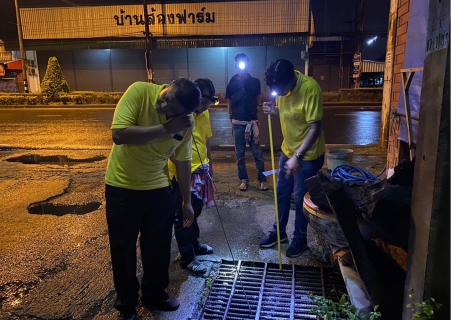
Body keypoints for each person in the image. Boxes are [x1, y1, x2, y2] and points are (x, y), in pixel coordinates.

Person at [104, 78, 201, 320]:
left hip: (158, 186)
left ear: (183, 114)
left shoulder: (186, 125)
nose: (162, 105)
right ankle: (126, 305)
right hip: (122, 184)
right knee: (123, 249)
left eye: (171, 109)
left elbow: (183, 161)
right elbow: (119, 134)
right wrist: (167, 128)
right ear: (168, 86)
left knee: (158, 246)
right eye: (166, 97)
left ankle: (154, 294)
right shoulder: (139, 91)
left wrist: (187, 200)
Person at [260, 59, 325, 258]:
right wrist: (275, 110)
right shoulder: (282, 88)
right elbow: (290, 113)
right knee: (281, 193)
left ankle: (300, 239)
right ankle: (279, 233)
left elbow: (315, 128)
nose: (276, 92)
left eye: (279, 88)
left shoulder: (310, 89)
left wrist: (298, 157)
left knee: (300, 198)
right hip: (287, 152)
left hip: (307, 156)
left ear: (290, 81)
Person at [169, 78, 217, 275]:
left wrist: (210, 168)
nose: (206, 106)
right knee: (183, 216)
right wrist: (179, 166)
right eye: (204, 101)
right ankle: (187, 257)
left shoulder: (204, 114)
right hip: (182, 173)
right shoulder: (180, 115)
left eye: (208, 103)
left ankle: (195, 244)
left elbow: (206, 142)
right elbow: (170, 147)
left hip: (200, 171)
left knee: (195, 211)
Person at [226, 53, 268, 192]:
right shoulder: (232, 82)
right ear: (235, 65)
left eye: (244, 63)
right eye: (239, 63)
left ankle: (262, 180)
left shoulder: (255, 82)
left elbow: (257, 99)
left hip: (252, 122)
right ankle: (243, 180)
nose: (241, 65)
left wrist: (252, 111)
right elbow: (229, 100)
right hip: (238, 123)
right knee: (240, 155)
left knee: (258, 154)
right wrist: (230, 114)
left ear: (248, 64)